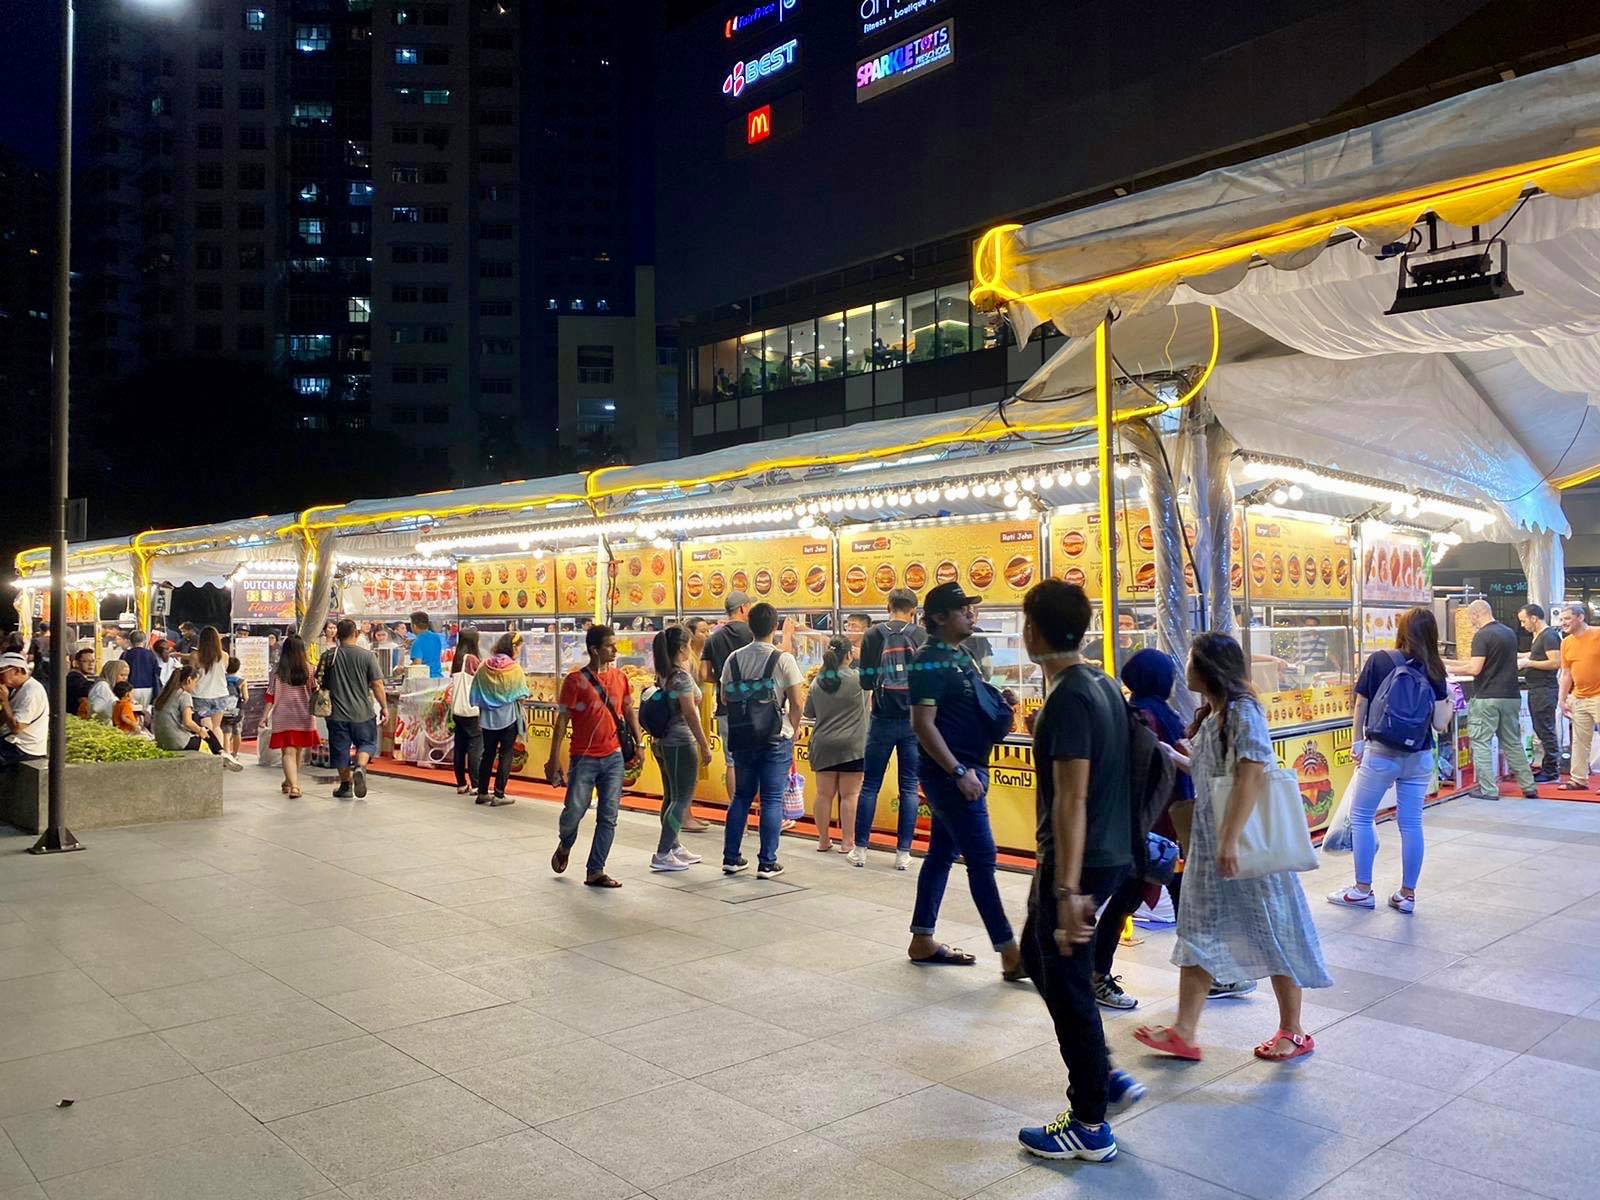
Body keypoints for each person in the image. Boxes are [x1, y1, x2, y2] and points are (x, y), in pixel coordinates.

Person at [1135, 632, 1331, 1063]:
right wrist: (1179, 757)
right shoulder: (1215, 714)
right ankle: (1184, 1032)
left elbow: (1252, 772)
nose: (1183, 667)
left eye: (1189, 659)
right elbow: (1219, 775)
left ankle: (1294, 1031)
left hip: (1243, 844)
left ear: (1207, 667)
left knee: (1273, 928)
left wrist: (1229, 839)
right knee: (1198, 932)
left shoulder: (1243, 712)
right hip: (1213, 846)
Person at [1014, 581, 1145, 1163]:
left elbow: (1071, 799)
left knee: (1066, 980)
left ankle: (1090, 1119)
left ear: (1032, 632)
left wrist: (1067, 890)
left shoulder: (1068, 698)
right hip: (1109, 854)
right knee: (1037, 956)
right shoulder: (1101, 682)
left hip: (1080, 863)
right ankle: (1103, 1074)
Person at [905, 581, 1024, 979]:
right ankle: (1010, 952)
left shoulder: (962, 654)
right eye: (962, 610)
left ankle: (922, 938)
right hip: (953, 776)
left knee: (941, 854)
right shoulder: (928, 660)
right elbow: (923, 724)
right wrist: (957, 771)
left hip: (970, 768)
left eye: (972, 608)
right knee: (982, 858)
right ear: (938, 617)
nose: (971, 614)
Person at [1328, 607, 1454, 914]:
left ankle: (1361, 890)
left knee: (1361, 817)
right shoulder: (1435, 669)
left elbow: (1361, 703)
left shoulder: (1380, 660)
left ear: (1402, 630)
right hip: (1419, 756)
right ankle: (1407, 895)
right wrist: (1449, 704)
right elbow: (1439, 724)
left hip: (1381, 753)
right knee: (1411, 823)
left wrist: (1357, 741)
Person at [1089, 648, 1191, 1012]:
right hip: (1158, 830)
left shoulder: (1136, 712)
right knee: (1133, 902)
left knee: (1134, 902)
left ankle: (1208, 973)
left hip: (1146, 828)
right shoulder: (1151, 716)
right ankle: (1096, 975)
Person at [547, 624, 641, 887]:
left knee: (608, 816)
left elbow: (628, 711)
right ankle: (566, 843)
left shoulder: (621, 678)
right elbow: (562, 721)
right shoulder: (575, 681)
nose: (615, 649)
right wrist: (554, 759)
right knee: (574, 811)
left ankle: (595, 870)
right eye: (610, 645)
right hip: (584, 758)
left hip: (613, 757)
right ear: (594, 649)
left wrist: (638, 743)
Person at [720, 602, 804, 879]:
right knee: (771, 799)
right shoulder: (783, 659)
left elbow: (724, 698)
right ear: (776, 627)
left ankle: (731, 858)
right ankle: (767, 862)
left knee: (741, 796)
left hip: (742, 736)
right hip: (774, 738)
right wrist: (794, 724)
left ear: (750, 625)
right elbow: (797, 700)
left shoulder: (733, 659)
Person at [852, 588, 927, 869]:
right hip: (912, 721)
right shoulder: (920, 635)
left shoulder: (873, 634)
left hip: (882, 718)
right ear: (913, 610)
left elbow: (866, 682)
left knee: (870, 784)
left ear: (887, 606)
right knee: (908, 787)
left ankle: (860, 850)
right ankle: (903, 854)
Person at [1444, 599, 1537, 800]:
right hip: (1511, 696)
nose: (1471, 622)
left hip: (1487, 697)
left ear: (1476, 614)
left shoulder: (1482, 635)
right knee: (1512, 742)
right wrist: (1448, 661)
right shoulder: (1508, 633)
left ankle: (1488, 789)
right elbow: (1483, 661)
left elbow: (1475, 668)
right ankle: (1529, 786)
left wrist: (1447, 668)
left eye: (1471, 618)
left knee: (1481, 742)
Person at [649, 624, 711, 872]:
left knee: (671, 796)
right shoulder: (680, 677)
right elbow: (690, 713)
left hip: (663, 741)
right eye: (687, 644)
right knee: (682, 798)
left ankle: (673, 846)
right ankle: (663, 852)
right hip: (680, 742)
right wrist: (704, 745)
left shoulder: (664, 674)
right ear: (682, 647)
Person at [805, 634, 867, 855]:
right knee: (850, 795)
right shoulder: (859, 679)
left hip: (823, 744)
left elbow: (808, 712)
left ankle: (823, 840)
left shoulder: (817, 682)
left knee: (823, 794)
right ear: (849, 655)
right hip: (852, 746)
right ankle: (848, 842)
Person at [318, 618, 387, 799]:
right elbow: (377, 684)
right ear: (356, 634)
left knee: (340, 749)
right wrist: (385, 707)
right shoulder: (367, 656)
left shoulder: (328, 656)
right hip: (363, 711)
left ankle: (346, 786)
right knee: (367, 743)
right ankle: (360, 767)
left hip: (336, 713)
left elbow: (318, 682)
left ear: (337, 635)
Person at [702, 591, 754, 802]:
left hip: (725, 707)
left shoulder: (713, 638)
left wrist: (724, 682)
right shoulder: (752, 634)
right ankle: (760, 810)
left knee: (732, 761)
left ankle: (736, 810)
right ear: (742, 608)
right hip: (753, 706)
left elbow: (704, 674)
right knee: (755, 760)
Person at [471, 632, 529, 807]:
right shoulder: (514, 669)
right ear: (513, 647)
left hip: (488, 719)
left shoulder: (484, 666)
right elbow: (522, 693)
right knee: (506, 754)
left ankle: (482, 792)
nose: (519, 650)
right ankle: (499, 794)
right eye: (519, 647)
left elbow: (475, 690)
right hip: (508, 718)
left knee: (487, 754)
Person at [264, 634, 318, 799]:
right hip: (304, 714)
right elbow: (315, 691)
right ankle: (293, 784)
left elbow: (270, 696)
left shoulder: (278, 671)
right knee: (298, 750)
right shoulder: (310, 669)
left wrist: (264, 716)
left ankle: (291, 784)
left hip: (283, 715)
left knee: (287, 751)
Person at [151, 666, 239, 766]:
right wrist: (199, 730)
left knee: (204, 730)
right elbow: (187, 722)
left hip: (161, 740)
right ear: (189, 680)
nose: (195, 686)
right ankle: (221, 754)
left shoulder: (163, 694)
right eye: (195, 682)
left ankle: (221, 753)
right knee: (206, 733)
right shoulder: (184, 695)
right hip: (178, 741)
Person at [1518, 604, 1562, 782]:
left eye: (1523, 620)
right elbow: (1537, 654)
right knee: (1540, 728)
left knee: (1545, 729)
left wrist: (1528, 663)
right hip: (1537, 689)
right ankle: (1548, 766)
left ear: (1533, 618)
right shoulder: (1539, 637)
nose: (1522, 625)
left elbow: (1554, 662)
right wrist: (1522, 656)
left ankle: (1551, 771)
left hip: (1545, 689)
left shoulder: (1549, 635)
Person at [1559, 602, 1600, 791]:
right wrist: (1562, 698)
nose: (1563, 623)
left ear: (1581, 618)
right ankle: (1578, 779)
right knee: (1579, 741)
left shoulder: (1597, 634)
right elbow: (1566, 673)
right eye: (1561, 619)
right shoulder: (1566, 643)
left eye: (1567, 619)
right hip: (1579, 697)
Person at [449, 626, 483, 795]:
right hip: (471, 709)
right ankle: (476, 784)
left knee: (460, 747)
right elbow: (482, 678)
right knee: (475, 746)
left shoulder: (457, 658)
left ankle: (461, 783)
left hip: (457, 709)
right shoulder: (471, 659)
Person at [190, 626, 234, 750]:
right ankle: (221, 752)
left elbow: (192, 676)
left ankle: (212, 752)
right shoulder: (224, 656)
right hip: (220, 694)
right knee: (216, 726)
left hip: (200, 695)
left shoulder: (195, 656)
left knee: (205, 726)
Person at [0, 652, 48, 766]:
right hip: (11, 743)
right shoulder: (18, 689)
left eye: (1, 672)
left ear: (17, 670)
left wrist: (5, 701)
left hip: (24, 748)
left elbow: (17, 728)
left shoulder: (31, 692)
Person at [121, 629, 162, 710]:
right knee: (144, 711)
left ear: (130, 641)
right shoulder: (150, 654)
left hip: (130, 687)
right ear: (144, 641)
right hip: (147, 687)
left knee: (131, 710)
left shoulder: (126, 654)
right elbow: (156, 672)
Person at [221, 656, 248, 756]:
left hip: (223, 709)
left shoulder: (222, 679)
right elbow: (246, 697)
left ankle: (226, 753)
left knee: (226, 732)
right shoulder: (242, 681)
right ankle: (235, 753)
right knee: (237, 732)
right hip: (237, 710)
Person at [408, 611, 443, 678]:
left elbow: (417, 664)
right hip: (438, 678)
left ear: (414, 626)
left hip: (425, 681)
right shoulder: (436, 637)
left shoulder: (417, 642)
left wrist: (403, 670)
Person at [65, 646, 96, 716]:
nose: (91, 664)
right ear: (76, 663)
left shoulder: (80, 678)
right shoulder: (74, 679)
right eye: (86, 661)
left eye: (93, 661)